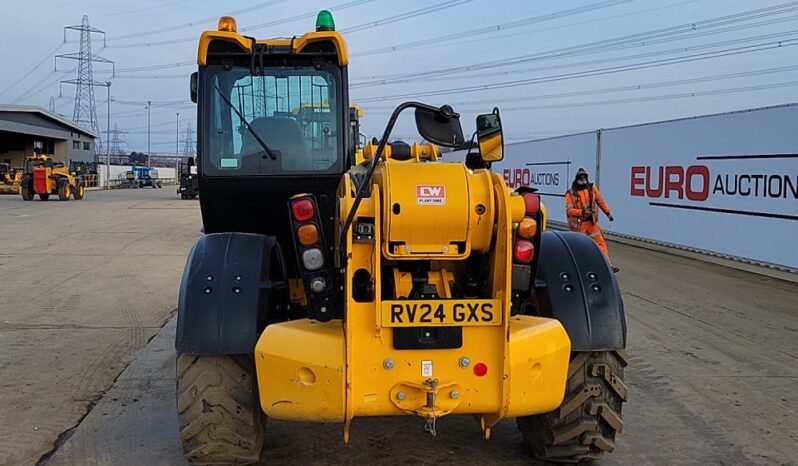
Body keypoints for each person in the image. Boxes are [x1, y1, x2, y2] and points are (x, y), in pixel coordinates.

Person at [565, 168, 619, 272]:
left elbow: (600, 201)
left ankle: (608, 266)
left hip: (592, 223)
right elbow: (570, 210)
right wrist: (582, 212)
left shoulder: (592, 188)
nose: (583, 181)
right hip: (579, 226)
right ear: (577, 179)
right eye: (581, 179)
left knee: (600, 244)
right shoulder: (570, 193)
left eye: (585, 179)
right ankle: (579, 268)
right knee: (580, 247)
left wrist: (608, 213)